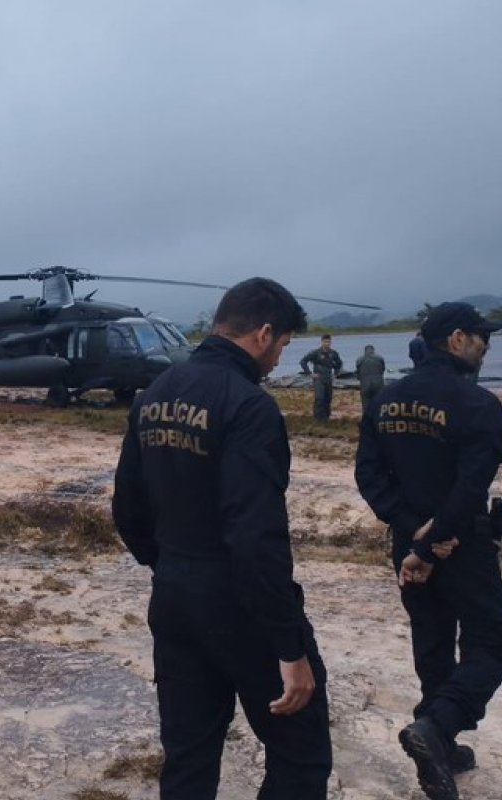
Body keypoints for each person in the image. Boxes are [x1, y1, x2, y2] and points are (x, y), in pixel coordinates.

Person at [113, 277, 330, 799]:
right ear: (263, 333)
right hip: (241, 606)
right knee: (299, 756)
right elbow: (255, 537)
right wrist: (289, 646)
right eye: (281, 346)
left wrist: (171, 567)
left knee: (188, 758)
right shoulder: (249, 406)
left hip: (174, 599)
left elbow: (127, 508)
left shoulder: (154, 394)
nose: (278, 359)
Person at [355, 302, 502, 800]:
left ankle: (439, 750)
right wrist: (432, 540)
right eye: (480, 337)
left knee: (432, 641)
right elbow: (470, 489)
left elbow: (370, 477)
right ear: (455, 340)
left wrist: (412, 535)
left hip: (408, 544)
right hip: (458, 544)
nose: (487, 345)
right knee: (493, 643)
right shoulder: (480, 407)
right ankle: (436, 728)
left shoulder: (384, 400)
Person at [299, 334, 343, 422]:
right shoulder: (315, 352)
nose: (327, 344)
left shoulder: (333, 353)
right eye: (325, 342)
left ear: (331, 342)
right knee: (319, 398)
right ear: (322, 342)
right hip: (318, 378)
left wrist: (336, 373)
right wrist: (310, 373)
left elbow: (339, 363)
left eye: (329, 342)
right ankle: (318, 419)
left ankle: (326, 418)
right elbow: (303, 361)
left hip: (328, 378)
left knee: (328, 399)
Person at [355, 344, 386, 413]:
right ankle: (377, 420)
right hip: (378, 384)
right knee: (378, 404)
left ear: (365, 351)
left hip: (365, 385)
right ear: (373, 350)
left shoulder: (360, 359)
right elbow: (382, 370)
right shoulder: (380, 358)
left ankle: (367, 420)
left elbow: (358, 372)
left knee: (366, 404)